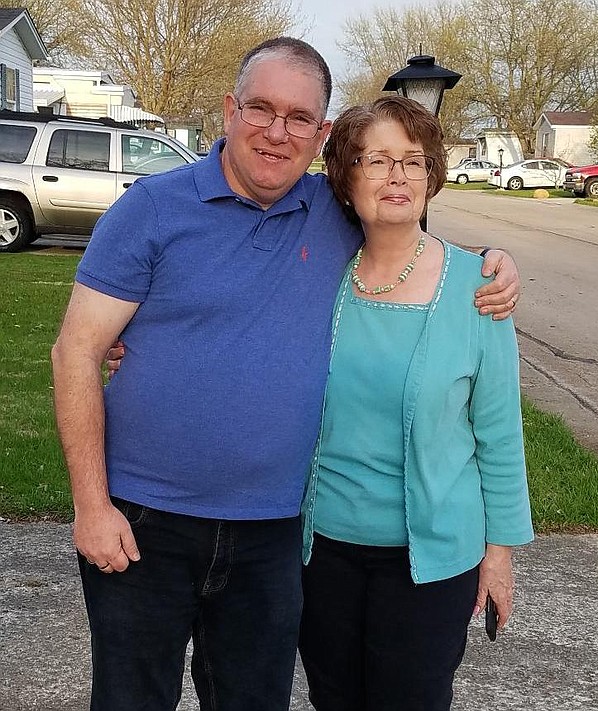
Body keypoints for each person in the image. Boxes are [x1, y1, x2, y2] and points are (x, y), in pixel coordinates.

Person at [51, 38, 520, 711]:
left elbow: (407, 235)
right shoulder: (150, 210)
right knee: (131, 697)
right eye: (260, 109)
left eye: (299, 117)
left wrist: (496, 262)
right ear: (228, 110)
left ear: (321, 133)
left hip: (274, 534)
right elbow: (74, 351)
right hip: (143, 520)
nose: (277, 131)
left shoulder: (332, 213)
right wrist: (91, 507)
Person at [297, 96, 534, 711]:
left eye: (413, 160)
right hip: (322, 552)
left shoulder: (478, 287)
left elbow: (500, 432)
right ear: (346, 179)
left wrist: (499, 555)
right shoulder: (318, 275)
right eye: (376, 160)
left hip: (430, 561)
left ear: (432, 177)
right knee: (334, 698)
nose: (397, 176)